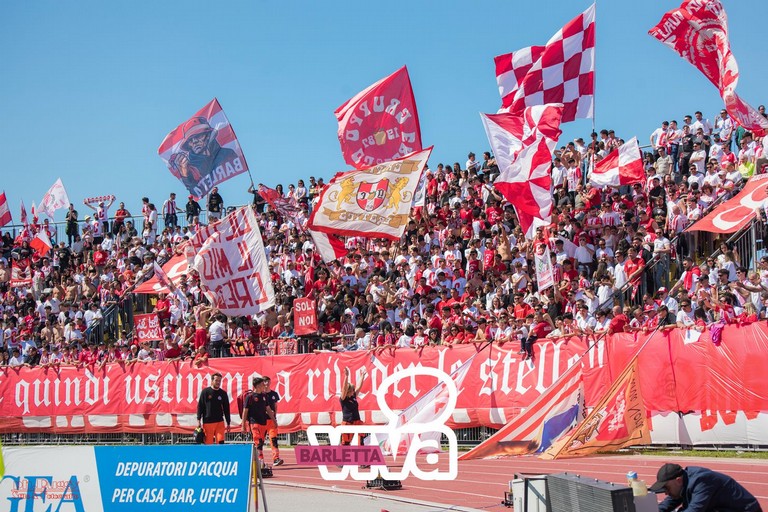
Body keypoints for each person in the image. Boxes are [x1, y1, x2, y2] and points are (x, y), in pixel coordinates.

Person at [168, 116, 239, 195]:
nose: (194, 141)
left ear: (208, 135)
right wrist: (185, 175)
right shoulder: (191, 167)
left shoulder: (227, 154)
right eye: (190, 140)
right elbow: (195, 192)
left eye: (198, 136)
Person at [650, 462, 762, 512]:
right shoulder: (682, 482)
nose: (666, 493)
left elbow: (695, 510)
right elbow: (669, 502)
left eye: (667, 488)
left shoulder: (701, 481)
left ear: (678, 480)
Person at [241, 377, 275, 468]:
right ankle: (261, 462)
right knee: (258, 442)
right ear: (257, 385)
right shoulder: (250, 397)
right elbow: (245, 411)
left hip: (263, 422)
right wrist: (243, 425)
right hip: (254, 423)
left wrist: (274, 420)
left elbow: (268, 409)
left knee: (261, 443)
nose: (264, 385)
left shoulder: (264, 396)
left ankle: (256, 461)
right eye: (262, 384)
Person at [196, 372, 231, 444]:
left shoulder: (223, 393)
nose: (218, 382)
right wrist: (198, 419)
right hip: (208, 422)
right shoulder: (205, 392)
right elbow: (200, 406)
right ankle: (208, 455)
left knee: (220, 441)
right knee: (209, 443)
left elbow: (226, 409)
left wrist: (228, 423)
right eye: (216, 380)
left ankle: (220, 455)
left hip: (219, 422)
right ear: (212, 381)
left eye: (219, 381)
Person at [339, 366, 367, 447]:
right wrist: (346, 376)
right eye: (351, 391)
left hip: (357, 422)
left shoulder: (353, 396)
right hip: (347, 423)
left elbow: (359, 387)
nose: (353, 392)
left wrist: (362, 376)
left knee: (360, 441)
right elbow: (344, 389)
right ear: (348, 391)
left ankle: (361, 457)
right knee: (346, 443)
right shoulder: (343, 399)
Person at [262, 376, 284, 466]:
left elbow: (275, 406)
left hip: (271, 421)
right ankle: (260, 460)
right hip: (262, 421)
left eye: (268, 381)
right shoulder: (261, 395)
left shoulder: (274, 394)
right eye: (265, 382)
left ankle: (276, 458)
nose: (266, 383)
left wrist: (275, 418)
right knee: (260, 441)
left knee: (274, 439)